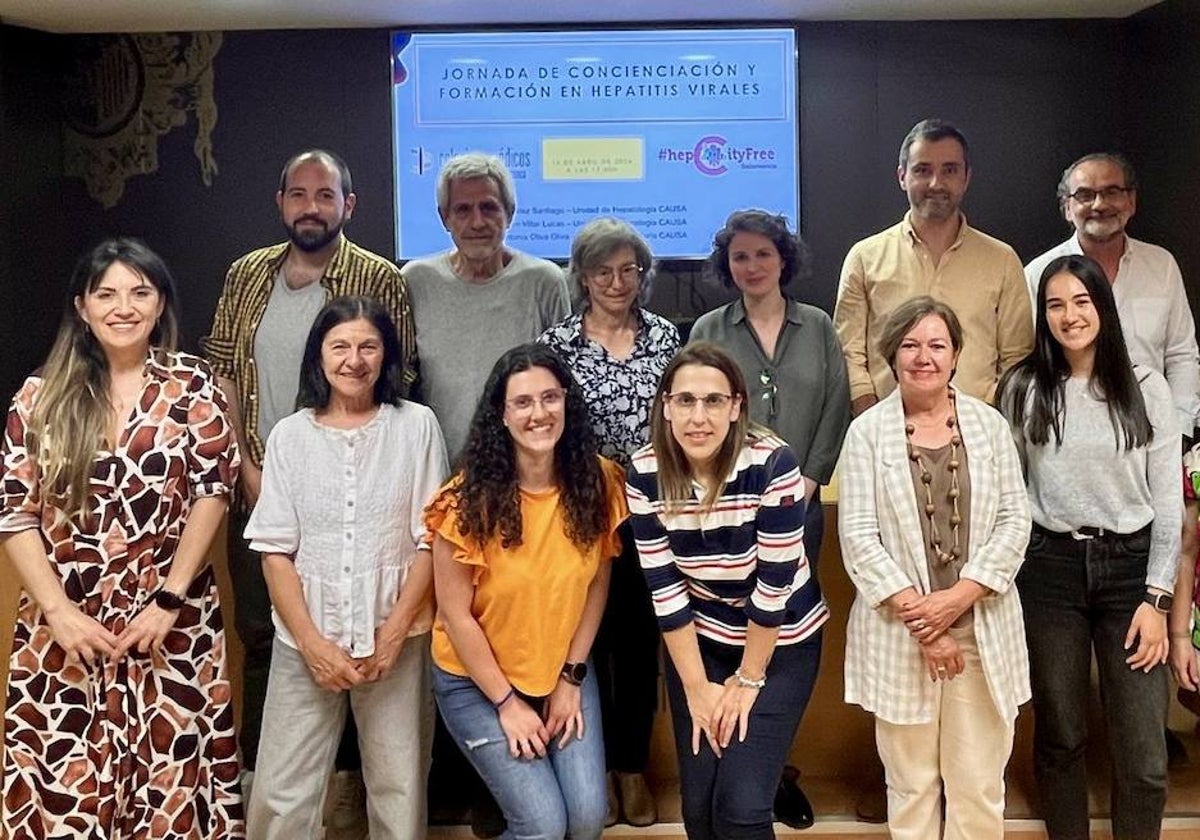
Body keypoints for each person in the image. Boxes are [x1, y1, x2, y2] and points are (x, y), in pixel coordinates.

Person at [0, 238, 242, 837]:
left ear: (161, 304)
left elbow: (215, 491)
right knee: (65, 789)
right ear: (82, 306)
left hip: (169, 621)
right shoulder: (39, 396)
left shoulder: (193, 386)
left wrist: (169, 599)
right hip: (65, 627)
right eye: (106, 293)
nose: (123, 306)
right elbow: (14, 512)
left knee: (171, 788)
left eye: (140, 292)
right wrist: (59, 612)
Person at [203, 148, 415, 830]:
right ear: (281, 201)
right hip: (261, 478)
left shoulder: (379, 278)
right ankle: (274, 781)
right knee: (268, 636)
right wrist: (248, 467)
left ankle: (348, 786)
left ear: (348, 205)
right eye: (299, 194)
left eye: (326, 195)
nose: (311, 207)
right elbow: (223, 378)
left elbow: (395, 382)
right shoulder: (246, 276)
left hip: (360, 484)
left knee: (365, 640)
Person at [243, 296, 448, 839]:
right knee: (283, 793)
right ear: (319, 355)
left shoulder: (416, 426)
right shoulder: (289, 436)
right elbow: (275, 550)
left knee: (399, 786)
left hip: (396, 638)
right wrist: (312, 643)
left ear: (386, 356)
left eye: (368, 346)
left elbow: (432, 540)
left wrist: (395, 631)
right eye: (340, 346)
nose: (354, 359)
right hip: (304, 640)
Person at [999, 254, 1180, 840]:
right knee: (1061, 735)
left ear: (1102, 304)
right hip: (1050, 572)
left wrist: (1157, 600)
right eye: (1055, 304)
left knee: (1143, 751)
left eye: (1081, 301)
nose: (1069, 316)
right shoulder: (1025, 387)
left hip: (1131, 576)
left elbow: (1169, 503)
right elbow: (1010, 491)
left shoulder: (1145, 386)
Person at [839, 296, 1031, 840]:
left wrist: (956, 601)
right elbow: (858, 539)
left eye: (937, 345)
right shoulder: (867, 433)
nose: (924, 357)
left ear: (956, 355)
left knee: (978, 787)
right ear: (891, 355)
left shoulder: (990, 426)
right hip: (901, 636)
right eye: (910, 345)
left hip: (982, 630)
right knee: (911, 784)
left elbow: (1015, 522)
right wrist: (925, 623)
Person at [626, 342, 826, 840]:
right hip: (700, 645)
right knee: (700, 811)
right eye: (686, 401)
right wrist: (697, 688)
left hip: (778, 648)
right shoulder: (644, 472)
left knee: (740, 808)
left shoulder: (772, 462)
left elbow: (771, 590)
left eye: (714, 401)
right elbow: (666, 591)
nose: (699, 416)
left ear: (736, 406)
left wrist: (748, 680)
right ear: (666, 407)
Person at [427, 343, 627, 840]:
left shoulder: (599, 481)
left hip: (563, 671)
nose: (539, 414)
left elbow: (597, 583)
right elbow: (456, 616)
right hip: (478, 683)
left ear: (567, 403)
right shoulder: (463, 501)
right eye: (522, 403)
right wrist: (507, 704)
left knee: (584, 824)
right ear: (502, 414)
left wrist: (572, 678)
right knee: (542, 826)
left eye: (550, 398)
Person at [538, 217, 679, 827]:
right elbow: (547, 428)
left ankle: (631, 769)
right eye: (604, 271)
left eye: (630, 270)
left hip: (652, 514)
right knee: (581, 647)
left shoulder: (667, 337)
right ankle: (583, 769)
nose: (618, 282)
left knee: (639, 645)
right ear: (583, 277)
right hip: (581, 516)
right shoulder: (558, 344)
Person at [834, 118, 1033, 416]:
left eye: (949, 170)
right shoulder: (865, 257)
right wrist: (872, 421)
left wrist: (985, 422)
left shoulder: (1002, 260)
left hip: (977, 436)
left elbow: (1017, 359)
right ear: (902, 177)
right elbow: (849, 353)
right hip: (886, 433)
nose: (936, 183)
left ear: (966, 178)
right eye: (922, 170)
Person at [402, 151, 570, 461]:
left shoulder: (544, 281)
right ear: (444, 217)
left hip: (526, 473)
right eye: (462, 209)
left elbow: (562, 385)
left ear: (510, 212)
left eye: (489, 207)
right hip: (437, 472)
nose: (477, 221)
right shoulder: (415, 280)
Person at [1024, 152, 1200, 436]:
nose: (1099, 204)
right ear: (1067, 208)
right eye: (1084, 195)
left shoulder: (1161, 265)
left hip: (1153, 431)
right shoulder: (1038, 274)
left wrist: (1179, 430)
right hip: (1069, 436)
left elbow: (1181, 355)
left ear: (1131, 201)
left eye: (1112, 192)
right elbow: (1031, 361)